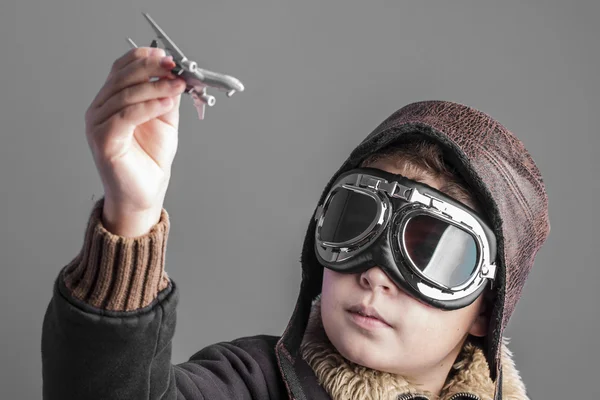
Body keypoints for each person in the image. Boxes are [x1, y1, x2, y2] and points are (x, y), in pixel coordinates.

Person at [41, 46, 550, 400]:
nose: (375, 273)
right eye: (355, 223)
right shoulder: (249, 383)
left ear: (486, 309)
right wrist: (131, 213)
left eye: (430, 251)